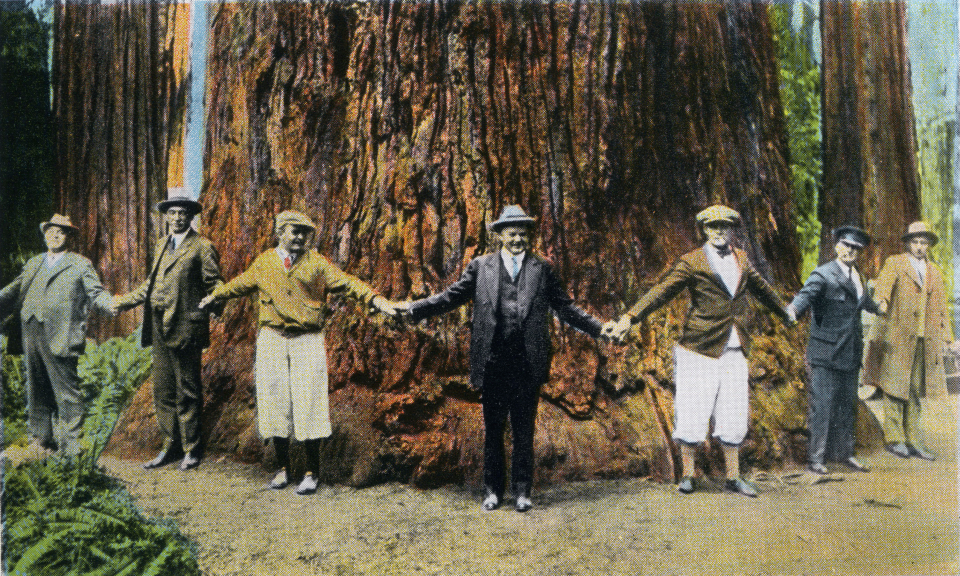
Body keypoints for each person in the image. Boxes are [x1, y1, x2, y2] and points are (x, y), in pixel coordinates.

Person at [397, 205, 605, 512]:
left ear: (529, 236)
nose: (518, 238)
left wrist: (600, 328)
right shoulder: (481, 266)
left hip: (527, 363)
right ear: (500, 236)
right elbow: (451, 297)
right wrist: (415, 309)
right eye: (512, 233)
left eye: (523, 233)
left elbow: (566, 308)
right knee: (493, 430)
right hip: (492, 362)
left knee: (524, 430)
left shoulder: (542, 268)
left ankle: (523, 491)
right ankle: (492, 491)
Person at [199, 210, 396, 495]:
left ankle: (311, 472)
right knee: (274, 401)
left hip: (307, 339)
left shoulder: (317, 263)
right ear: (280, 232)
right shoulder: (265, 262)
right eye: (295, 231)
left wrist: (376, 300)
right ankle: (282, 469)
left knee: (310, 402)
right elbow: (240, 284)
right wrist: (215, 296)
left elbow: (348, 283)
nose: (301, 237)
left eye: (306, 233)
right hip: (272, 339)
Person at [606, 205, 793, 497]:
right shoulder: (692, 261)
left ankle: (734, 476)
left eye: (724, 226)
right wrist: (630, 318)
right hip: (698, 348)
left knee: (733, 411)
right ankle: (688, 475)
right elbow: (662, 291)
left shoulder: (742, 258)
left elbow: (762, 289)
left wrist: (786, 312)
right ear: (704, 230)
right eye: (712, 227)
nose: (719, 232)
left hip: (734, 347)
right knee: (692, 410)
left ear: (732, 230)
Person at [114, 195, 223, 471]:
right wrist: (123, 302)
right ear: (166, 217)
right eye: (172, 213)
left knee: (187, 389)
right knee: (162, 389)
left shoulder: (201, 247)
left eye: (182, 213)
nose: (177, 218)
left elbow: (215, 282)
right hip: (159, 325)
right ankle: (169, 446)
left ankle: (191, 449)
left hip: (186, 326)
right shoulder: (162, 245)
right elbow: (151, 285)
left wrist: (214, 303)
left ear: (191, 217)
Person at [0, 214, 116, 457]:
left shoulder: (79, 263)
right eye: (51, 231)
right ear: (45, 234)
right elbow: (13, 291)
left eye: (61, 232)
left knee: (67, 391)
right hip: (30, 330)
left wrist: (111, 304)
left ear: (68, 237)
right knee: (35, 387)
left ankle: (72, 448)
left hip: (61, 334)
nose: (55, 235)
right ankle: (41, 441)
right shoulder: (34, 263)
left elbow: (96, 292)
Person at [788, 225, 881, 474]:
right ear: (836, 246)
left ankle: (845, 454)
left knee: (847, 405)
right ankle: (816, 458)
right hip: (826, 353)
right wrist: (793, 311)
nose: (850, 251)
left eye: (855, 249)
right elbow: (804, 297)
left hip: (851, 352)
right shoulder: (823, 274)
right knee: (822, 405)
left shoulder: (857, 276)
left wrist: (879, 308)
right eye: (846, 245)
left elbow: (863, 301)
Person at [863, 221, 960, 461]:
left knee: (915, 388)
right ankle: (895, 438)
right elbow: (884, 285)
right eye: (915, 242)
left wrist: (948, 337)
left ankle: (914, 439)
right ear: (908, 244)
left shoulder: (934, 271)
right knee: (895, 385)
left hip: (923, 338)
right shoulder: (896, 263)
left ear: (928, 245)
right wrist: (882, 302)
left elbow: (940, 309)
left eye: (923, 243)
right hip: (897, 335)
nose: (919, 247)